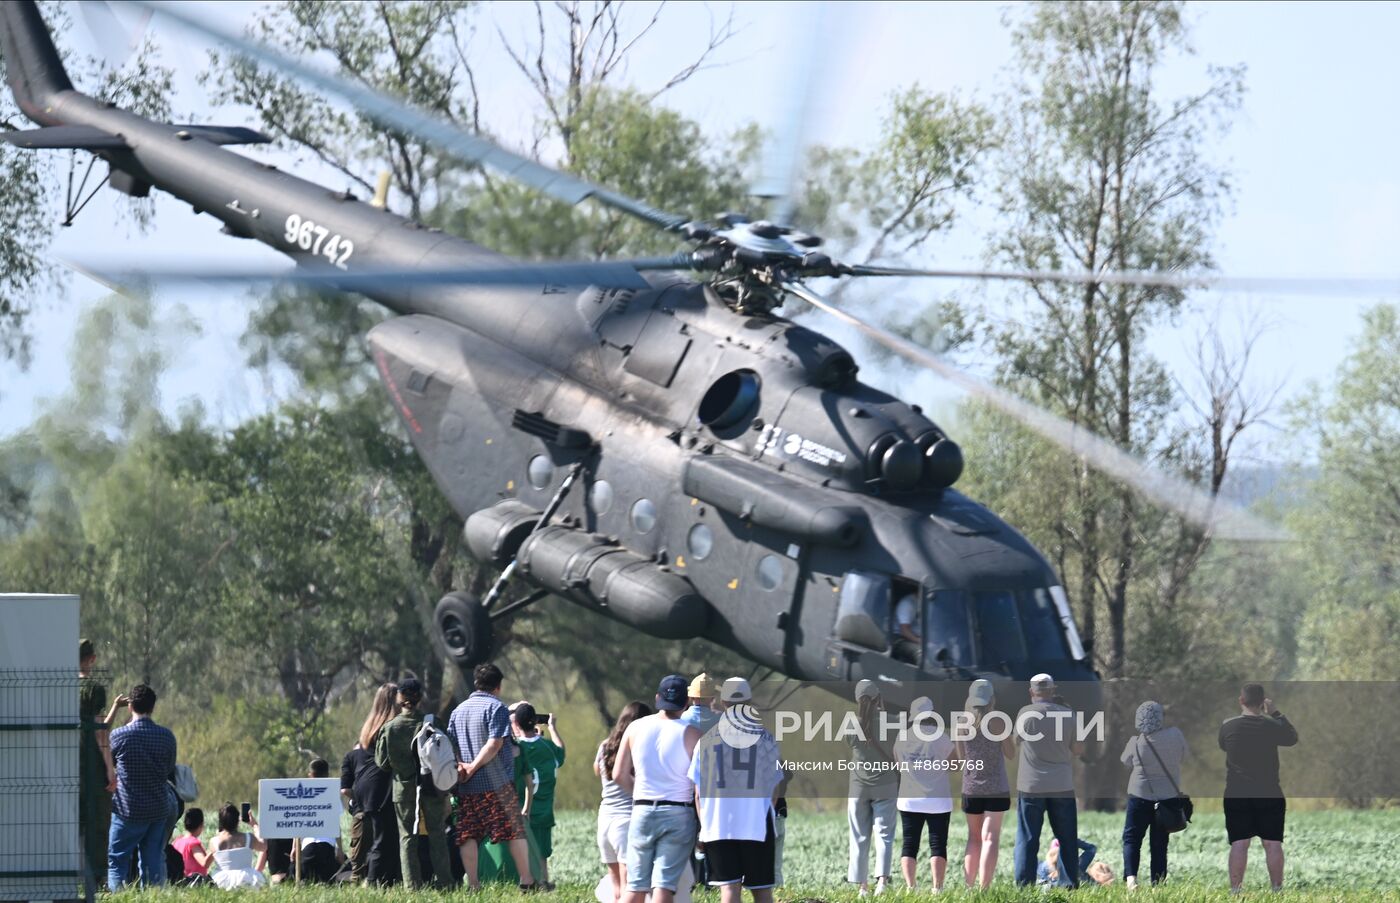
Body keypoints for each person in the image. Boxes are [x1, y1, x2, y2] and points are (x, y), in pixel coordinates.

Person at [688, 677, 782, 903]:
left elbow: (698, 792)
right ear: (749, 702)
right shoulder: (766, 738)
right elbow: (776, 785)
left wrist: (704, 827)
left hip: (719, 825)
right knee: (762, 891)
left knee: (729, 891)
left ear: (722, 702)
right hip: (756, 824)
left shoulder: (707, 740)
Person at [613, 674, 703, 903]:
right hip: (678, 813)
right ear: (687, 702)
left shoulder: (634, 728)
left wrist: (641, 795)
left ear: (657, 698)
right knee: (663, 886)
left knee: (635, 887)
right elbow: (700, 785)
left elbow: (618, 775)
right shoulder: (693, 734)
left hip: (642, 810)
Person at [448, 663, 535, 890]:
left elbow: (452, 746)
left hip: (467, 786)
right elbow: (495, 743)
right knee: (514, 831)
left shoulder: (458, 711)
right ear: (498, 686)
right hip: (496, 784)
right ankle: (526, 881)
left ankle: (474, 884)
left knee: (468, 835)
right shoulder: (496, 708)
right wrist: (475, 766)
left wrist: (462, 768)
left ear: (476, 683)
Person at [1219, 683, 1298, 893]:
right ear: (1262, 702)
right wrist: (1276, 713)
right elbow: (1292, 738)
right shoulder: (1271, 726)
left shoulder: (1228, 726)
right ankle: (1277, 889)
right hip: (1269, 792)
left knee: (1239, 843)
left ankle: (1236, 890)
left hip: (1236, 793)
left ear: (1241, 701)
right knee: (1272, 843)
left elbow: (1224, 745)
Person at [376, 677, 453, 888]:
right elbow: (448, 753)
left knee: (407, 838)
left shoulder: (390, 728)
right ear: (420, 697)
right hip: (432, 787)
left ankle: (412, 886)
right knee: (437, 834)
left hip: (403, 790)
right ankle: (445, 882)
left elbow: (382, 763)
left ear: (399, 698)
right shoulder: (434, 722)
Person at [1012, 673, 1084, 888]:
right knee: (1067, 837)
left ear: (1031, 692)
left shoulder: (1026, 713)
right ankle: (1068, 884)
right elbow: (1078, 750)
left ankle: (1025, 886)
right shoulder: (1069, 715)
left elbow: (1015, 741)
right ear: (1053, 690)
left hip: (1031, 785)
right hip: (1061, 785)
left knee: (1028, 838)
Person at [106, 683, 177, 891]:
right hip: (158, 808)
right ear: (152, 708)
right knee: (152, 861)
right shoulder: (166, 737)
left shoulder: (119, 735)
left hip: (127, 809)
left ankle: (119, 895)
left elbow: (106, 762)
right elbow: (169, 768)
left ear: (130, 707)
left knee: (117, 859)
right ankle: (153, 895)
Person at [1121, 700, 1187, 888]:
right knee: (1160, 842)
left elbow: (1125, 761)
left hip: (1139, 795)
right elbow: (1184, 756)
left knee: (1132, 838)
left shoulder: (1135, 742)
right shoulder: (1175, 735)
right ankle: (1158, 883)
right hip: (1167, 797)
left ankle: (1131, 879)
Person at [955, 678, 1014, 890]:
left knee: (973, 838)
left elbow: (962, 759)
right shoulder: (999, 722)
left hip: (971, 787)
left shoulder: (961, 722)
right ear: (992, 699)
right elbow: (1010, 753)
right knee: (991, 837)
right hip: (997, 787)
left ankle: (969, 887)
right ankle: (984, 888)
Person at [892, 696, 953, 892]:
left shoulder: (903, 737)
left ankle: (911, 887)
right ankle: (938, 888)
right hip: (938, 800)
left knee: (909, 845)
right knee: (938, 844)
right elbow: (955, 764)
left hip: (910, 799)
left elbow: (898, 764)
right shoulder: (941, 736)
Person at [78, 639, 125, 889]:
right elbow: (100, 733)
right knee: (96, 824)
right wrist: (110, 769)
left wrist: (115, 707)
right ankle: (96, 881)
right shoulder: (94, 689)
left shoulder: (62, 687)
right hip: (92, 767)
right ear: (92, 659)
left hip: (66, 765)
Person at [596, 701, 654, 903]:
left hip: (605, 820)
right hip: (626, 822)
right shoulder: (637, 747)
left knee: (617, 891)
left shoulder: (605, 746)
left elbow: (598, 770)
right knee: (630, 889)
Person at [344, 682, 399, 885]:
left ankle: (381, 879)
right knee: (384, 838)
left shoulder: (370, 726)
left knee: (381, 836)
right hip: (381, 786)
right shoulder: (390, 726)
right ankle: (376, 881)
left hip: (366, 786)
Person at [846, 679, 898, 896]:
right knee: (884, 835)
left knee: (859, 836)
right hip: (886, 785)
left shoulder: (850, 723)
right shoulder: (892, 722)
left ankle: (862, 887)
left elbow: (852, 743)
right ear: (879, 698)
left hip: (859, 786)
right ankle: (882, 884)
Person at [511, 701, 566, 888]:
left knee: (520, 849)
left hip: (520, 809)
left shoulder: (516, 748)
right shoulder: (548, 747)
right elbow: (562, 753)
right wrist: (552, 727)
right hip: (543, 810)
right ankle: (543, 882)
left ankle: (524, 882)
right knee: (541, 853)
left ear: (516, 724)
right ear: (534, 722)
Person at [292, 759, 343, 884]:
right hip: (327, 846)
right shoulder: (331, 794)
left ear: (310, 775)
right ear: (327, 774)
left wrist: (294, 847)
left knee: (306, 883)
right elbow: (335, 824)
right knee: (328, 884)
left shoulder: (302, 796)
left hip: (308, 846)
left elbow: (298, 823)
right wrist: (340, 849)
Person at [208, 802, 266, 889]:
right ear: (238, 820)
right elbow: (263, 846)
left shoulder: (214, 841)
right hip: (247, 878)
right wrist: (254, 825)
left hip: (222, 881)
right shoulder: (249, 838)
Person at [172, 808, 211, 882]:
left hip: (181, 881)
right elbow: (204, 863)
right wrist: (214, 850)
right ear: (201, 824)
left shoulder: (177, 841)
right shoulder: (193, 843)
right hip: (194, 881)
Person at [891, 593, 920, 664]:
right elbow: (904, 631)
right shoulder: (907, 604)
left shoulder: (928, 604)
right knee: (921, 654)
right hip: (899, 638)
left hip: (915, 637)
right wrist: (921, 641)